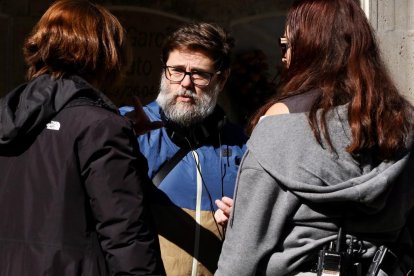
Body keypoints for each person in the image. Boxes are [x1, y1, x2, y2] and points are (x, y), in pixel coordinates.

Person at [215, 0, 414, 275]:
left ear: (309, 47)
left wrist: (247, 218)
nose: (283, 57)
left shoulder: (279, 123)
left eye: (286, 45)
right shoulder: (403, 123)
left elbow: (240, 260)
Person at [0, 1, 164, 275]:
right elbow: (126, 234)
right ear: (106, 53)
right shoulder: (100, 127)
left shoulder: (7, 116)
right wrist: (108, 134)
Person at [120, 22, 247, 276]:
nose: (185, 83)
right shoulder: (125, 130)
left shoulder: (241, 146)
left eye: (199, 74)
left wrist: (246, 217)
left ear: (221, 79)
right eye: (176, 70)